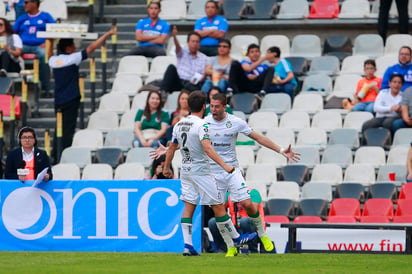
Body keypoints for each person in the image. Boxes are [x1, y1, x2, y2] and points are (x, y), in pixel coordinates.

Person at [156, 92, 300, 255]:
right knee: (219, 209)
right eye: (212, 106)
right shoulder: (204, 123)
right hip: (211, 172)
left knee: (246, 203)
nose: (214, 110)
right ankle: (231, 245)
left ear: (225, 107)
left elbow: (258, 138)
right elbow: (192, 141)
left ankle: (262, 234)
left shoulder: (235, 122)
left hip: (231, 170)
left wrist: (281, 150)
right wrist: (169, 149)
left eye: (217, 106)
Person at [162, 91, 257, 257]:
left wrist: (166, 167)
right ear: (204, 106)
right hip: (201, 171)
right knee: (218, 206)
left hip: (185, 170)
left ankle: (187, 245)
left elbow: (171, 147)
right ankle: (236, 238)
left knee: (189, 206)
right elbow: (207, 147)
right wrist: (225, 165)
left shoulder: (179, 124)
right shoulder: (202, 125)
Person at [48, 27, 116, 159]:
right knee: (68, 129)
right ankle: (63, 154)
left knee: (59, 128)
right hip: (71, 98)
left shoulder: (54, 61)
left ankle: (55, 152)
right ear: (68, 48)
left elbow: (49, 55)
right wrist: (107, 34)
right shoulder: (73, 58)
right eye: (73, 45)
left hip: (58, 99)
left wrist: (50, 41)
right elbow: (91, 48)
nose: (75, 47)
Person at [13, 0, 56, 96]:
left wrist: (48, 42)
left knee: (43, 56)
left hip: (39, 45)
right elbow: (12, 32)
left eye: (26, 2)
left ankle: (45, 88)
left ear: (34, 3)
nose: (24, 5)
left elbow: (55, 30)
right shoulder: (22, 18)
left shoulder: (45, 16)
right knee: (9, 53)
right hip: (23, 45)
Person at [208, 188, 266, 253]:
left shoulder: (253, 192)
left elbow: (253, 209)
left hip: (253, 227)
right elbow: (220, 207)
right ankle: (223, 249)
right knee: (213, 222)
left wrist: (241, 200)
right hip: (235, 226)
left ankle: (252, 250)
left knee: (244, 221)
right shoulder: (229, 194)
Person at [160, 27, 208, 93]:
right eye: (193, 41)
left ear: (199, 44)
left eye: (197, 42)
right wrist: (174, 37)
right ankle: (162, 93)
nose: (195, 44)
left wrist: (199, 79)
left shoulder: (204, 58)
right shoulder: (182, 52)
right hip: (179, 81)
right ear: (188, 42)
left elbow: (203, 74)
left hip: (192, 83)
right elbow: (178, 47)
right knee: (171, 68)